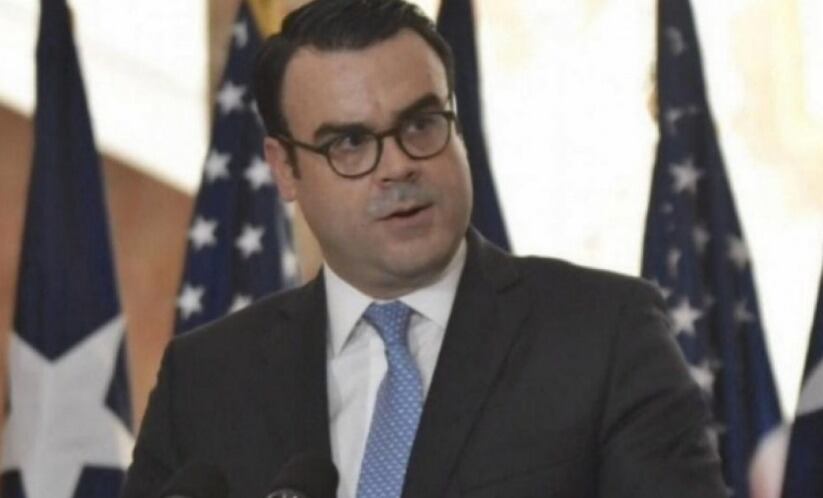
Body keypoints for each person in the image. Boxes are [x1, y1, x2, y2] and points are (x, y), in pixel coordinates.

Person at [122, 1, 728, 497]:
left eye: (420, 124)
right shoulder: (205, 380)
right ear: (284, 168)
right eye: (350, 143)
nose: (397, 167)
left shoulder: (602, 334)